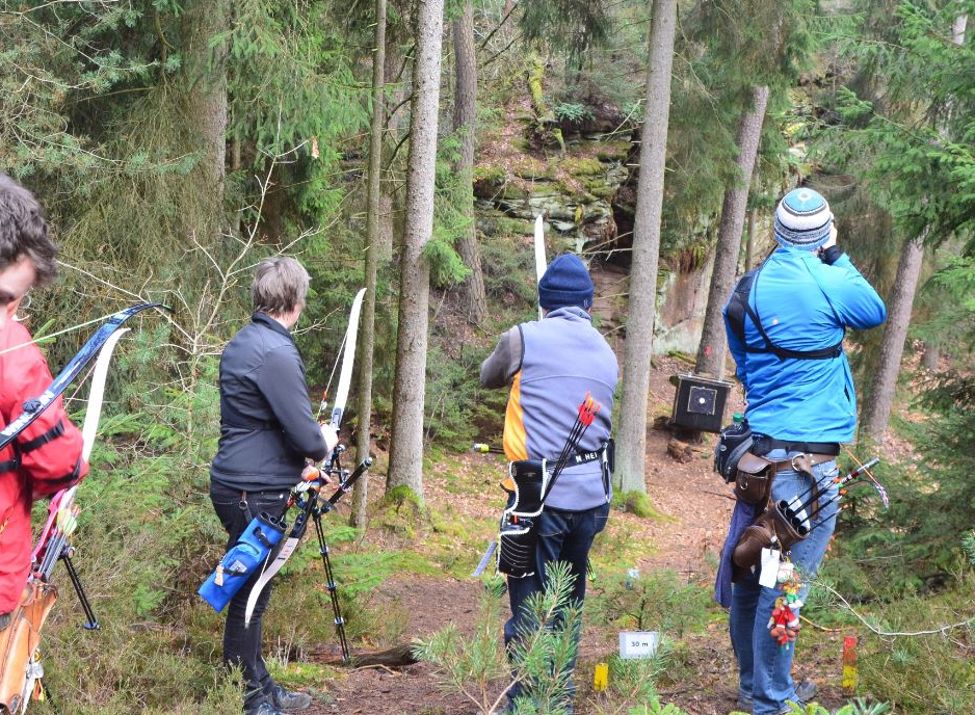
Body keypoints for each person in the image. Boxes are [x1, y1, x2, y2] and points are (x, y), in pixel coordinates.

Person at [719, 188, 886, 715]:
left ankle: (755, 685)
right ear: (824, 232)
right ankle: (770, 698)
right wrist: (835, 254)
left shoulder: (750, 286)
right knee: (785, 583)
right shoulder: (827, 278)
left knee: (751, 567)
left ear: (776, 231)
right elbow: (874, 310)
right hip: (806, 469)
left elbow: (744, 361)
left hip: (759, 458)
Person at [480, 253, 618, 714]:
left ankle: (525, 705)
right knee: (568, 601)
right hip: (592, 499)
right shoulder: (605, 350)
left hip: (537, 498)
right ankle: (557, 700)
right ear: (587, 303)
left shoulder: (523, 338)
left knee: (529, 602)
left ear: (543, 302)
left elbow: (487, 377)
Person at [209, 257, 337, 715]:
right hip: (253, 490)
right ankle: (250, 700)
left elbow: (267, 422)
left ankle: (259, 686)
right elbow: (305, 437)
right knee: (250, 593)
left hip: (243, 483)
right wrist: (324, 440)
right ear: (295, 300)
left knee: (253, 589)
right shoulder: (274, 351)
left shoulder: (246, 341)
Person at [0, 175, 88, 633]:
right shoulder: (10, 349)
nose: (10, 315)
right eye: (5, 300)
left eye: (15, 305)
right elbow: (60, 463)